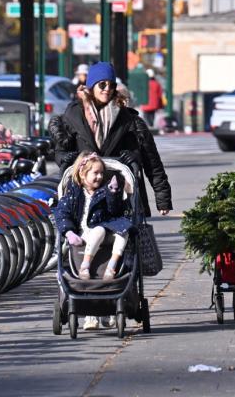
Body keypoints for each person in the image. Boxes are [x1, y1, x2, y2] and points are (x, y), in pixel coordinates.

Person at [49, 62, 173, 331]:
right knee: (83, 244)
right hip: (83, 192)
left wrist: (162, 196)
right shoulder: (72, 116)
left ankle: (113, 300)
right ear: (90, 87)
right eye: (101, 84)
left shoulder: (129, 119)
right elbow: (59, 152)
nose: (106, 88)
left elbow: (152, 160)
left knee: (120, 244)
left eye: (111, 84)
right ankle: (88, 307)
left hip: (119, 194)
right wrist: (65, 158)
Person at [54, 152, 133, 281]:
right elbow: (62, 212)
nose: (100, 176)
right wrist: (69, 232)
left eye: (102, 173)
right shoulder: (73, 193)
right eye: (95, 173)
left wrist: (113, 193)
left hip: (106, 232)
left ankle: (111, 266)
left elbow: (114, 211)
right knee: (98, 230)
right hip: (84, 233)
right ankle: (85, 266)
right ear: (82, 174)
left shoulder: (105, 189)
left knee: (124, 231)